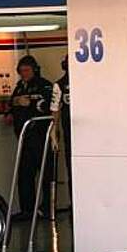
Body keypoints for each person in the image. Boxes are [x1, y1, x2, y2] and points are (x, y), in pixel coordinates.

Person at [8, 55, 53, 220]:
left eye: (27, 70)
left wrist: (32, 104)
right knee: (25, 174)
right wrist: (14, 105)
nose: (24, 74)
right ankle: (27, 210)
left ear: (34, 69)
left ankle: (47, 208)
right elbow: (10, 103)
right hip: (23, 137)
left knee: (46, 174)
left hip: (41, 136)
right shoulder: (20, 86)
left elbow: (51, 106)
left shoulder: (45, 85)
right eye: (21, 71)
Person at [50, 55, 72, 199]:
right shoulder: (59, 85)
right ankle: (74, 205)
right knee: (71, 169)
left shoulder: (92, 79)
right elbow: (55, 109)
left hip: (94, 133)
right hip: (70, 132)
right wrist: (54, 132)